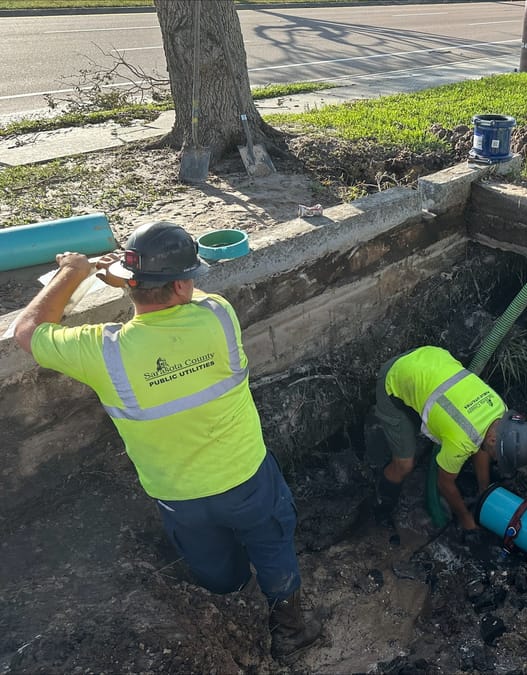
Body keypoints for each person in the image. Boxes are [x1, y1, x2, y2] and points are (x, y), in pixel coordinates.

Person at [13, 221, 321, 660]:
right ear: (180, 285)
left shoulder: (102, 351)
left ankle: (233, 632)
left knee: (214, 568)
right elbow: (184, 297)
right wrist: (134, 276)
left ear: (132, 284)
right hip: (248, 478)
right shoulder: (217, 315)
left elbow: (26, 332)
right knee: (272, 547)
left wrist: (73, 272)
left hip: (180, 496)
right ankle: (291, 628)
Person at [368, 345, 527, 532]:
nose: (497, 460)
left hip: (429, 357)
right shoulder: (462, 441)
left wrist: (484, 489)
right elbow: (444, 482)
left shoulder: (501, 410)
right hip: (393, 376)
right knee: (404, 465)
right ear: (493, 440)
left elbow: (481, 444)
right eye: (500, 456)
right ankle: (381, 506)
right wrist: (466, 519)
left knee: (445, 425)